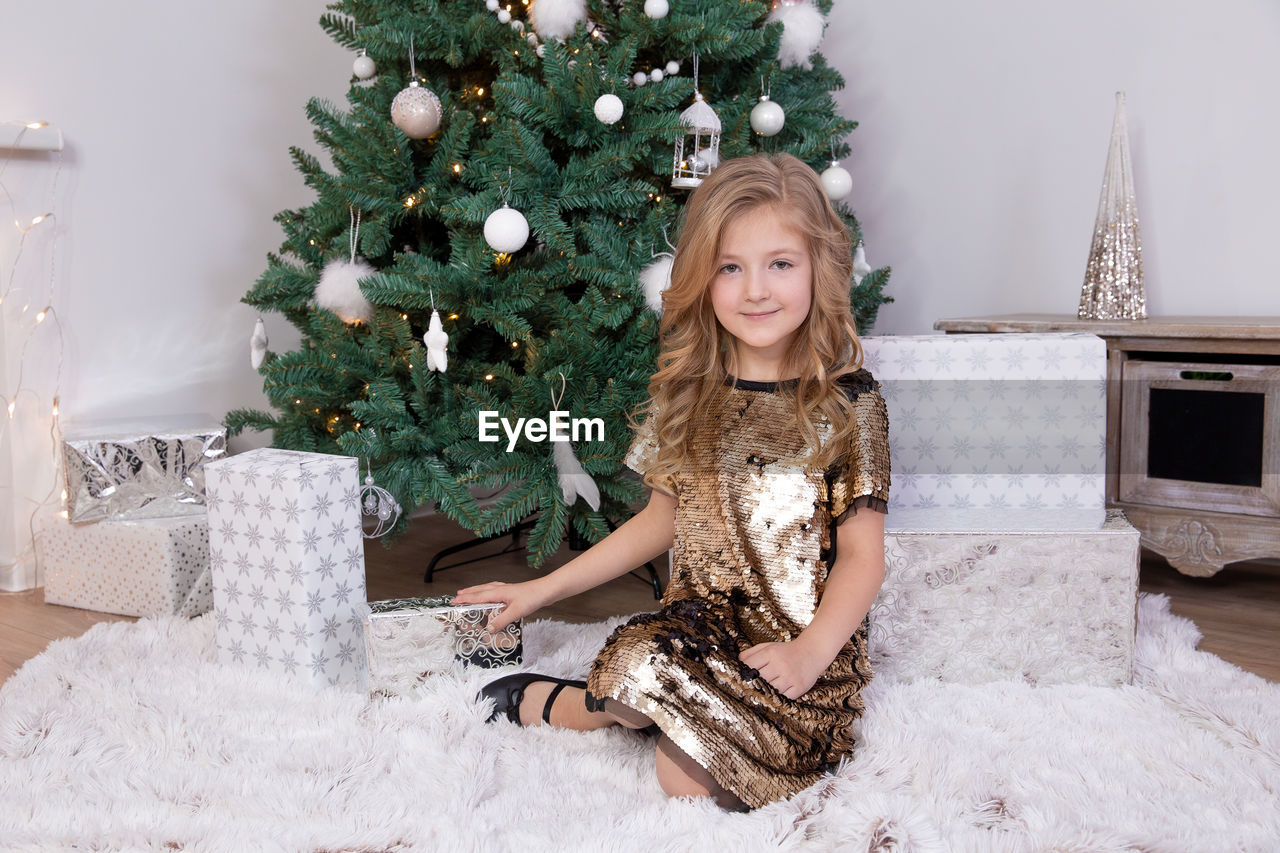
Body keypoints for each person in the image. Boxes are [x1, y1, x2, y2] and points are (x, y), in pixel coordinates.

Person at [452, 152, 890, 812]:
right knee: (636, 671)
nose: (755, 290)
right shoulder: (688, 397)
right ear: (703, 279)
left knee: (685, 779)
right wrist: (539, 588)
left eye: (780, 263)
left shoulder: (848, 404)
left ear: (818, 269)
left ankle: (614, 707)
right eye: (730, 268)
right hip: (698, 635)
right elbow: (661, 522)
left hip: (798, 650)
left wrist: (808, 653)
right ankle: (588, 702)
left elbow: (863, 555)